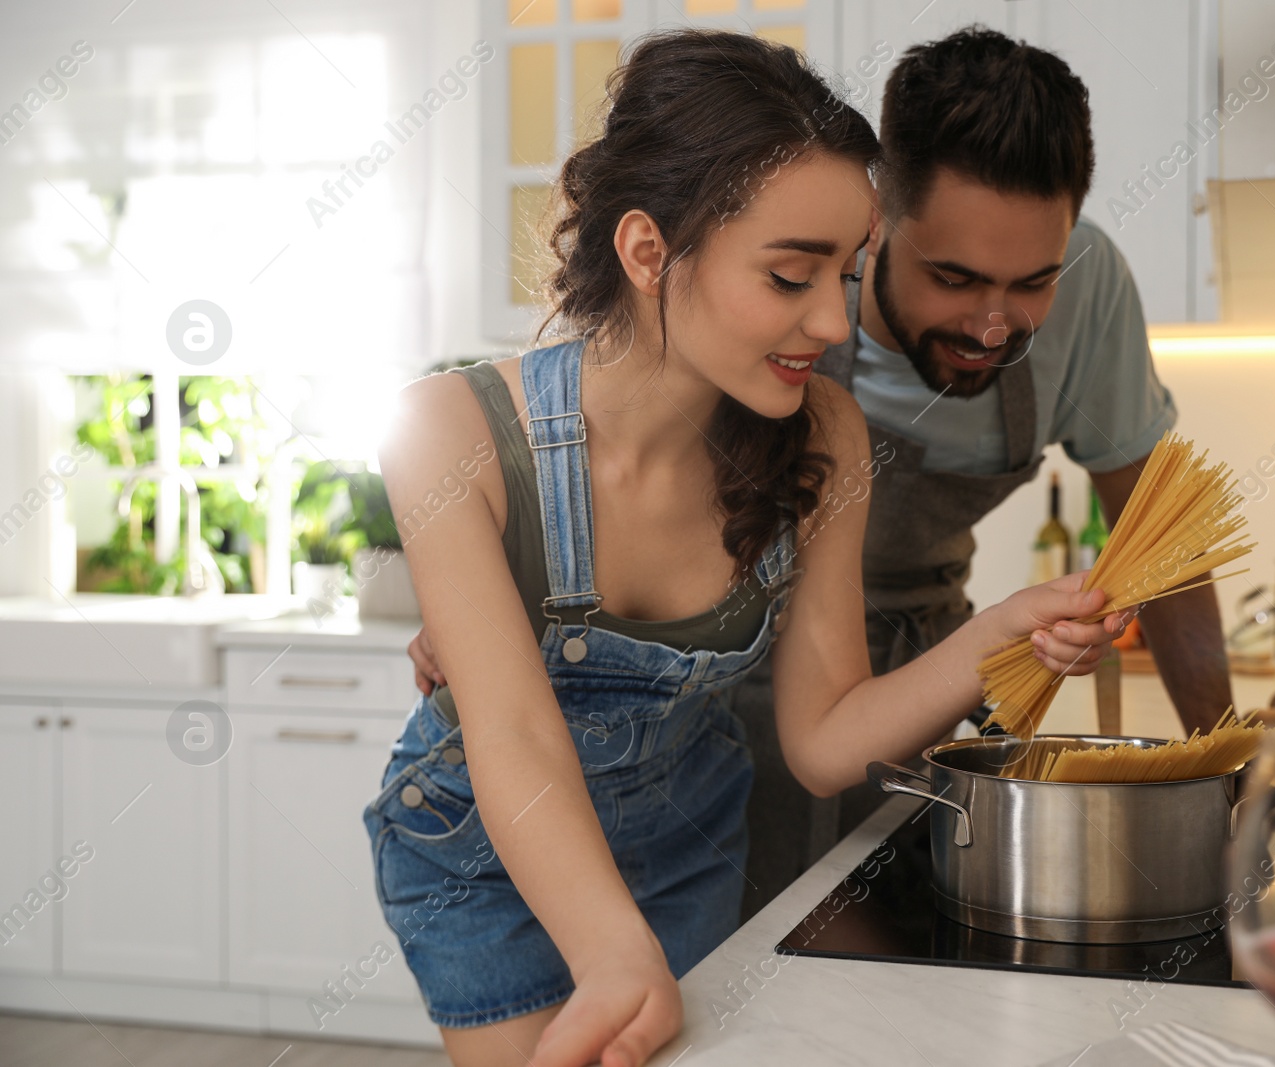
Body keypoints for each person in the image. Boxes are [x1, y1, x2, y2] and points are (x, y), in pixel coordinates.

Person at [367, 29, 1122, 1067]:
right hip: (483, 857)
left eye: (846, 271)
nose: (831, 319)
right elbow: (516, 741)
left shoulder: (823, 433)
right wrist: (615, 950)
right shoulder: (447, 434)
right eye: (788, 275)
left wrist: (1006, 628)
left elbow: (824, 742)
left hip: (689, 840)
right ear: (645, 252)